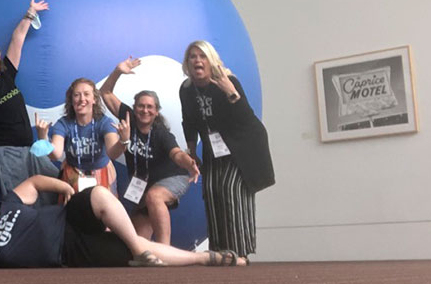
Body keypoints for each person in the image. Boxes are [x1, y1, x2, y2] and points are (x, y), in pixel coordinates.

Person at [0, 175, 246, 268]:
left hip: (69, 217)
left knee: (99, 193)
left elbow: (33, 183)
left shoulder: (8, 203)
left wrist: (63, 188)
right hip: (70, 252)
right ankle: (206, 258)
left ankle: (140, 252)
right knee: (133, 248)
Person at [179, 40, 275, 260]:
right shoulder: (186, 90)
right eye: (192, 56)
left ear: (210, 60)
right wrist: (191, 151)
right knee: (212, 190)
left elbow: (247, 119)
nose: (197, 60)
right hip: (214, 148)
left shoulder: (227, 81)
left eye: (202, 56)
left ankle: (240, 252)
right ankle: (221, 251)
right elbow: (189, 122)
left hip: (243, 146)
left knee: (230, 190)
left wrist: (231, 93)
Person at [99, 57, 200, 245]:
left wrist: (190, 163)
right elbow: (105, 92)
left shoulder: (161, 134)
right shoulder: (127, 118)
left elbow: (176, 154)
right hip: (143, 185)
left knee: (155, 196)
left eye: (149, 107)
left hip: (172, 178)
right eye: (141, 106)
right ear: (134, 107)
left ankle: (165, 249)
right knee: (138, 245)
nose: (145, 110)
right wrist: (118, 71)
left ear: (156, 112)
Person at [0, 0, 58, 204]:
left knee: (51, 187)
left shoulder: (7, 74)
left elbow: (18, 38)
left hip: (26, 152)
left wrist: (31, 12)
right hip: (1, 155)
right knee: (12, 204)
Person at [36, 78, 125, 202]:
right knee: (74, 212)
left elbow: (113, 153)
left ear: (94, 99)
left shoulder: (105, 122)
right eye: (77, 95)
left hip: (102, 172)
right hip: (73, 172)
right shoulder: (64, 124)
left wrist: (123, 141)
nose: (82, 99)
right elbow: (55, 154)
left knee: (104, 212)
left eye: (87, 94)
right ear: (71, 100)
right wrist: (43, 138)